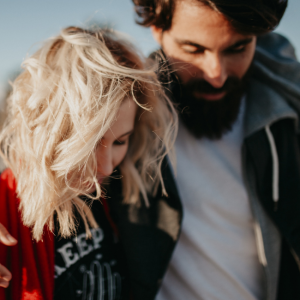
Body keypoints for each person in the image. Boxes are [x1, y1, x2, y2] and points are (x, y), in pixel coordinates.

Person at [104, 0, 300, 299]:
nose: (216, 74)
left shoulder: (286, 116)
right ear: (158, 29)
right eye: (194, 50)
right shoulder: (126, 115)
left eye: (237, 49)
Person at [0, 26, 177, 299]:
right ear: (49, 130)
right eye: (90, 145)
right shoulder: (6, 207)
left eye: (120, 141)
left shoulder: (124, 198)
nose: (106, 168)